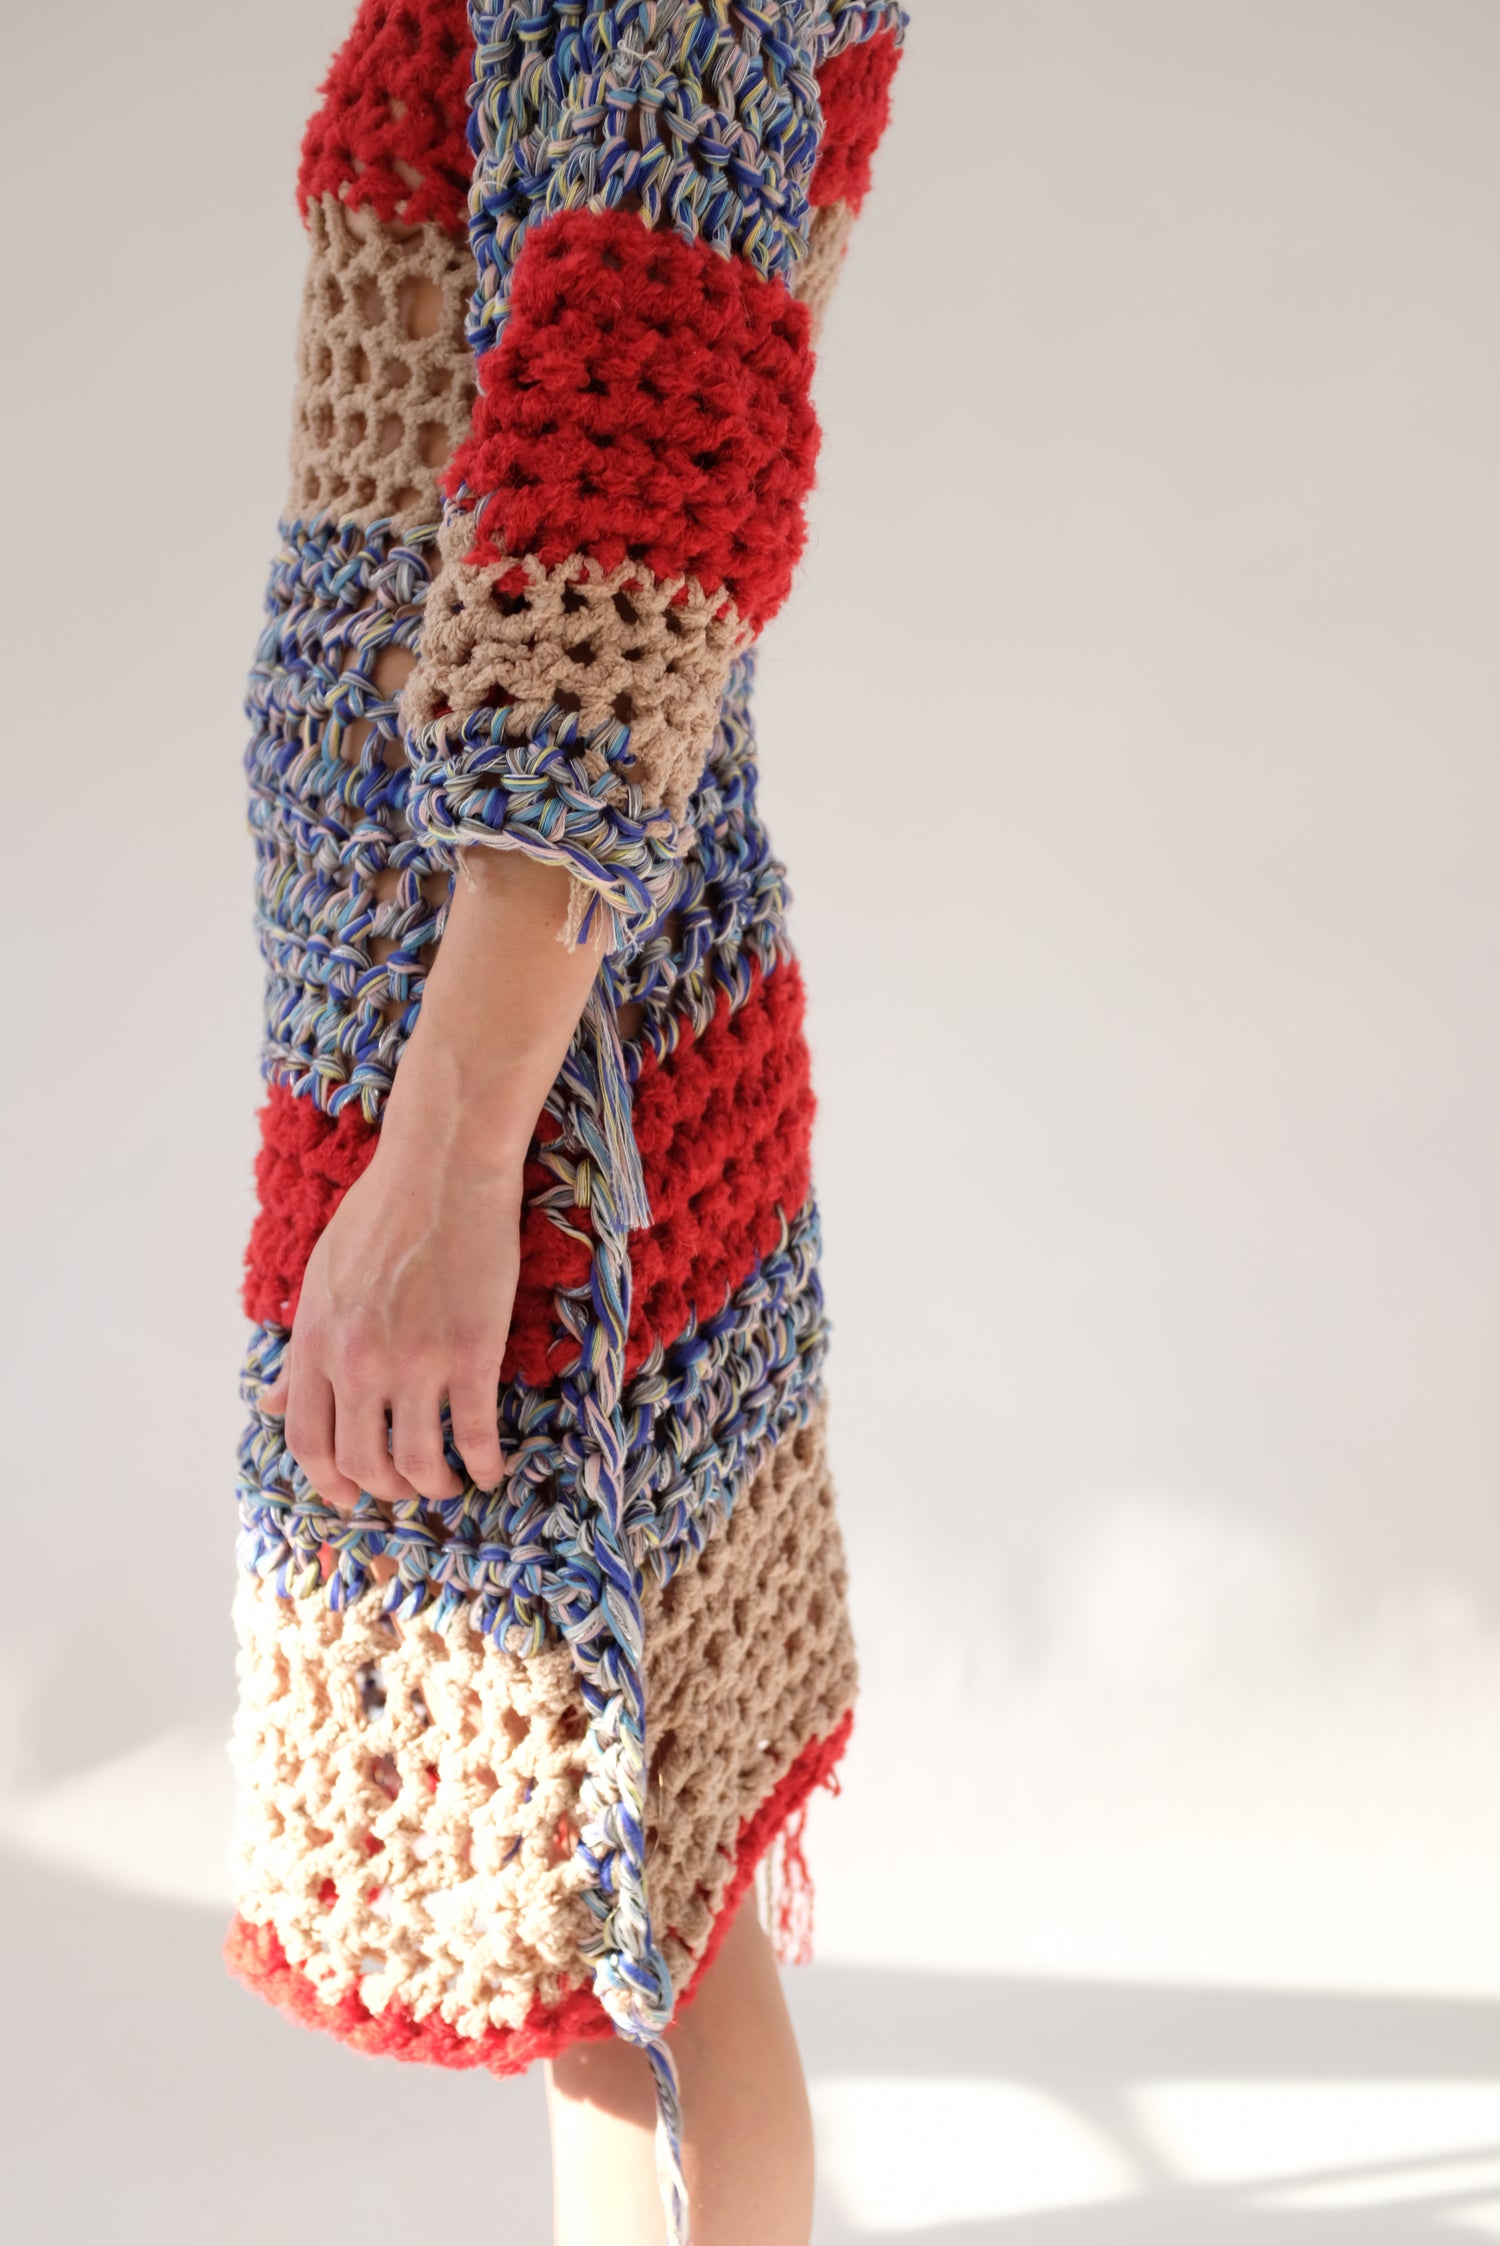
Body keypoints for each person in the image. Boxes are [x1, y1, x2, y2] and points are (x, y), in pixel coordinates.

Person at [228, 6, 904, 2242]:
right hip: (493, 1020)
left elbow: (633, 490)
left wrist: (452, 1147)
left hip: (529, 1058)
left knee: (626, 1907)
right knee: (622, 1914)